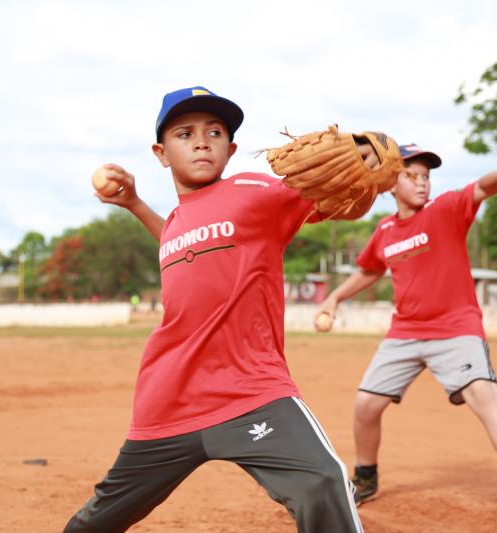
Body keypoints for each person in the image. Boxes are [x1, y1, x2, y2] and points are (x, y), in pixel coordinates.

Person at [64, 86, 363, 533]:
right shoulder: (178, 224)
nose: (202, 141)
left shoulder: (254, 191)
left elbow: (334, 195)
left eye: (215, 132)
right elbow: (179, 241)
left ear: (231, 148)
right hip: (168, 398)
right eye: (185, 133)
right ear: (161, 154)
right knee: (98, 519)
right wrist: (132, 203)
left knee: (323, 482)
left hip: (251, 390)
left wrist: (365, 157)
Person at [314, 144, 497, 524]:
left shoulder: (446, 209)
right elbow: (371, 269)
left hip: (456, 327)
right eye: (412, 176)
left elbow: (483, 187)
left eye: (426, 176)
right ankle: (366, 476)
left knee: (482, 393)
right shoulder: (385, 229)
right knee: (366, 405)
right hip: (405, 331)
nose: (422, 183)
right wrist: (335, 297)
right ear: (391, 182)